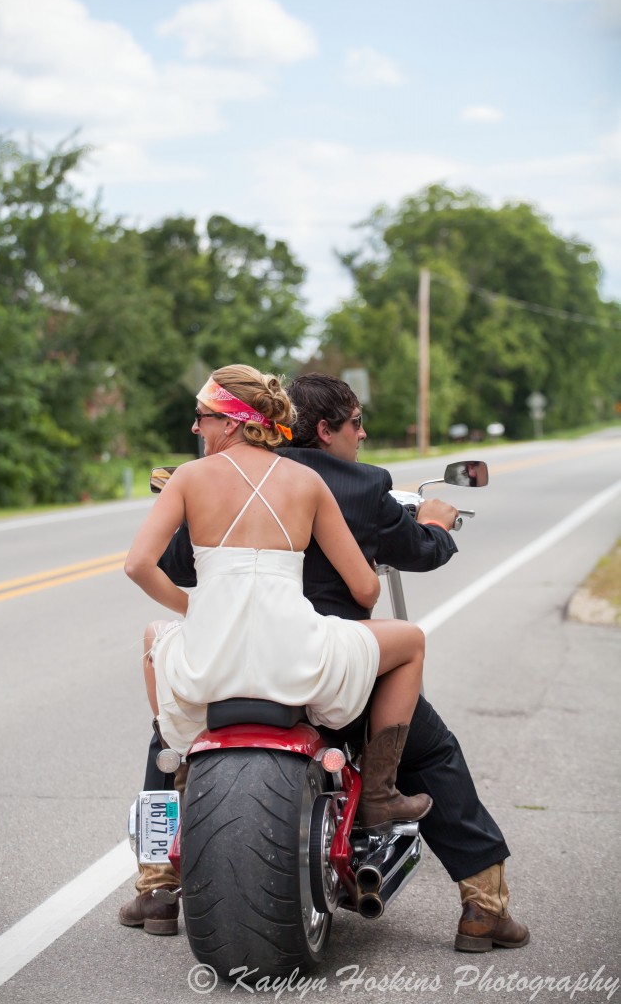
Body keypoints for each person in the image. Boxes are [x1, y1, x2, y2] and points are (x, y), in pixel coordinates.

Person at [121, 372, 529, 954]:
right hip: (318, 667)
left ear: (233, 421)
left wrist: (205, 604)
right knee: (432, 750)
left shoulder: (196, 478)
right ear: (323, 427)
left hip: (220, 668)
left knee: (168, 731)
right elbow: (374, 585)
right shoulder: (340, 486)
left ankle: (158, 885)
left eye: (203, 416)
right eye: (357, 422)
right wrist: (433, 524)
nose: (362, 435)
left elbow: (168, 564)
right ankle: (482, 902)